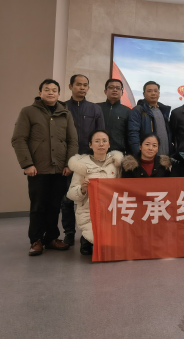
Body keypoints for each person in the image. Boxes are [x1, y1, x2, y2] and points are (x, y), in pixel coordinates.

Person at [11, 79, 78, 256]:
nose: (51, 92)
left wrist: (69, 164)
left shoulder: (65, 113)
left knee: (55, 206)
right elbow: (18, 139)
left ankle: (51, 238)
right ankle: (36, 240)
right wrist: (27, 164)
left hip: (60, 169)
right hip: (37, 169)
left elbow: (72, 141)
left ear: (59, 94)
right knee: (38, 206)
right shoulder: (28, 112)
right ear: (40, 93)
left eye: (54, 90)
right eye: (47, 89)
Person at [62, 74, 105, 246]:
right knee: (67, 199)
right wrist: (66, 162)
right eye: (78, 84)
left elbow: (100, 135)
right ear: (70, 86)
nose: (82, 87)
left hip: (89, 161)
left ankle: (89, 236)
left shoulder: (95, 109)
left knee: (91, 200)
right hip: (68, 161)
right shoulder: (62, 107)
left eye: (85, 85)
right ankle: (69, 233)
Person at [67, 130, 122, 255]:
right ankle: (86, 239)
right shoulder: (81, 166)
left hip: (111, 210)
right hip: (89, 210)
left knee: (113, 246)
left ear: (109, 144)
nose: (101, 144)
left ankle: (93, 240)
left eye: (104, 141)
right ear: (90, 145)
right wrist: (82, 189)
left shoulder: (116, 164)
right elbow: (70, 193)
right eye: (97, 141)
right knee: (96, 241)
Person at [127, 81, 172, 157]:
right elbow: (133, 134)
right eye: (149, 91)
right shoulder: (138, 110)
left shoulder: (163, 110)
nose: (153, 93)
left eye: (155, 91)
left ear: (159, 93)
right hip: (147, 157)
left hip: (165, 156)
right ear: (144, 94)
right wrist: (138, 154)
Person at [97, 78, 131, 154]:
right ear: (105, 91)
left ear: (122, 92)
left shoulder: (128, 111)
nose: (115, 90)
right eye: (111, 87)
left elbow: (129, 135)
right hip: (96, 151)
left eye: (118, 88)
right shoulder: (96, 108)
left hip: (118, 153)